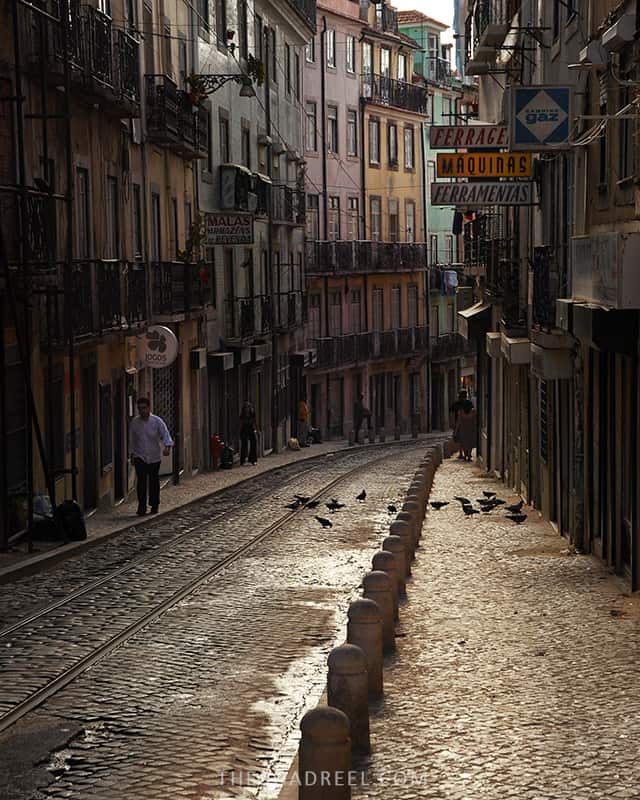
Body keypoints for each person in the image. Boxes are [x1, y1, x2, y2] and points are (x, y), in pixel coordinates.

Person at [129, 397, 173, 516]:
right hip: (140, 456)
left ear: (149, 407)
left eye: (144, 408)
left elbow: (165, 435)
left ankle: (154, 505)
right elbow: (132, 440)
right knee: (141, 482)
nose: (142, 411)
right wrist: (132, 454)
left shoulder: (157, 421)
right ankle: (141, 507)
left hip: (154, 457)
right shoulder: (135, 423)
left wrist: (167, 447)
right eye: (139, 409)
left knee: (153, 482)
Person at [449, 389, 468, 459]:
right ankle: (465, 453)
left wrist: (452, 423)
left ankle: (461, 453)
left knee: (460, 439)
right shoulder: (468, 403)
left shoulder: (456, 403)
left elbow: (451, 412)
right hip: (465, 423)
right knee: (465, 438)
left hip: (458, 423)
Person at [239, 400, 257, 465]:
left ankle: (253, 460)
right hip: (244, 429)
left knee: (254, 443)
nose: (247, 408)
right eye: (246, 407)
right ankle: (242, 460)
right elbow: (241, 421)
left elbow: (254, 421)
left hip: (251, 429)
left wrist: (255, 429)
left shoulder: (252, 413)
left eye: (249, 407)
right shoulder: (242, 414)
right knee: (244, 444)